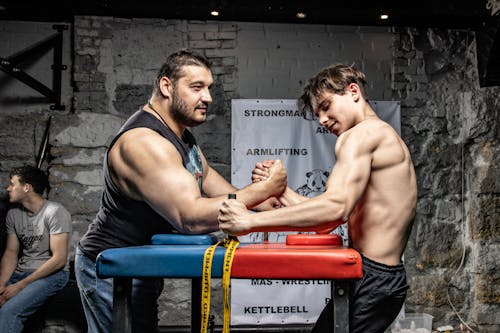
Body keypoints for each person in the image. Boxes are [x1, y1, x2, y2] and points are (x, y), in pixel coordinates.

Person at [75, 49, 286, 333]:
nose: (208, 97)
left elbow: (207, 178)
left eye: (209, 87)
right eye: (197, 87)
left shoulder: (180, 135)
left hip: (140, 265)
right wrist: (260, 190)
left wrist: (260, 200)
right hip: (110, 266)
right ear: (166, 86)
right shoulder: (144, 143)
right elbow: (190, 217)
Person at [218, 64, 417, 333]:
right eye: (317, 114)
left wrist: (249, 222)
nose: (322, 120)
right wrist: (281, 191)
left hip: (375, 279)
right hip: (377, 277)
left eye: (326, 106)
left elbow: (334, 209)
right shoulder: (378, 134)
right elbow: (330, 215)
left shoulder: (361, 135)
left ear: (353, 91)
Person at [0, 165, 72, 332]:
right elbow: (11, 253)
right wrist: (2, 285)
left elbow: (59, 259)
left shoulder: (55, 212)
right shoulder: (14, 214)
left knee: (9, 313)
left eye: (12, 184)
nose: (8, 188)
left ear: (26, 187)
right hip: (21, 272)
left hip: (51, 274)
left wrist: (20, 286)